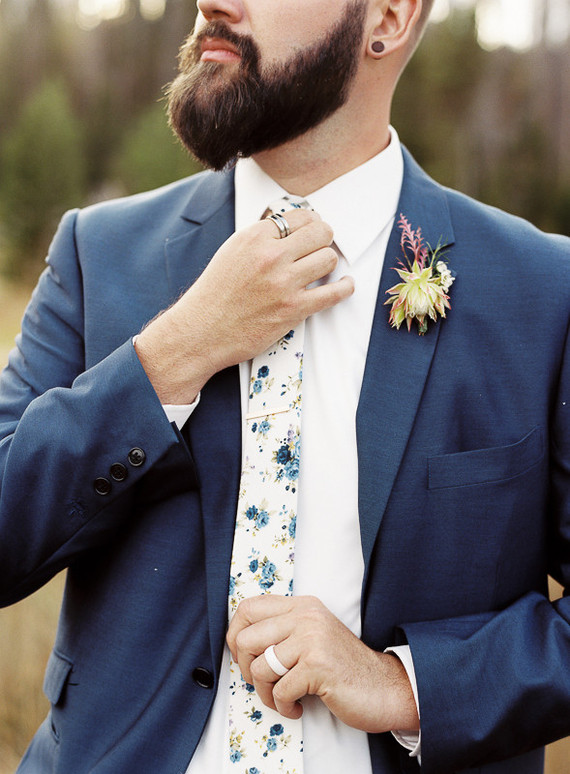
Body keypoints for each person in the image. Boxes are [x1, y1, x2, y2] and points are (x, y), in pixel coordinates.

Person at [0, 0, 569, 772]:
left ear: (390, 19)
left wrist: (407, 685)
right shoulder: (96, 255)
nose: (211, 3)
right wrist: (175, 350)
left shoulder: (543, 294)